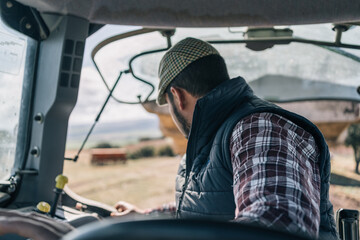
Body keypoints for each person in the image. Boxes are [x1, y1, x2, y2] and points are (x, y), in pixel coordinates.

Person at [0, 38, 338, 240]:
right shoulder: (214, 137)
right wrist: (143, 216)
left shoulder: (260, 128)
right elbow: (208, 208)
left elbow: (275, 231)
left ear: (176, 96)